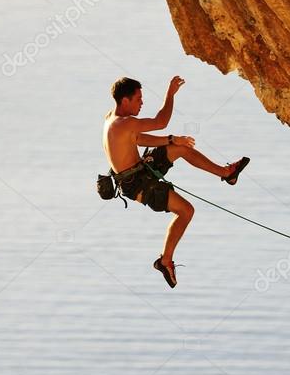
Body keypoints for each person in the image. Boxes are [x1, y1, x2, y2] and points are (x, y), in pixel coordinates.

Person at [103, 75, 249, 287]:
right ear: (125, 100)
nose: (142, 102)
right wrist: (170, 94)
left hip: (140, 170)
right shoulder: (125, 123)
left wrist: (172, 140)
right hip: (137, 184)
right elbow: (161, 122)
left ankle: (227, 173)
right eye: (138, 99)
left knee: (181, 148)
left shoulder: (112, 119)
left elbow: (138, 139)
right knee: (186, 211)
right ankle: (165, 261)